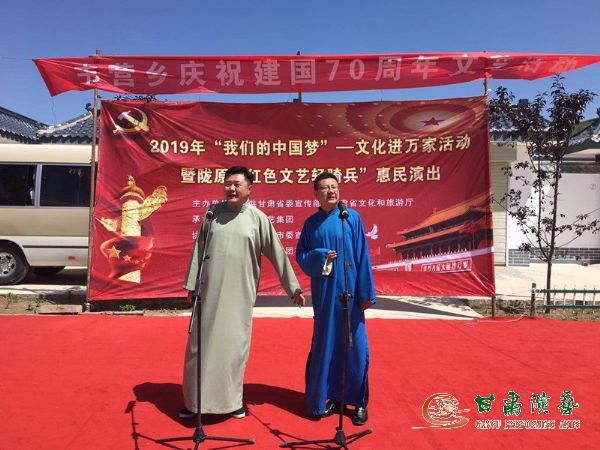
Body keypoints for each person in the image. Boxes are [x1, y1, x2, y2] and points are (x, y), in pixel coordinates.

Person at [180, 166, 305, 419]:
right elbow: (198, 250)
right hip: (209, 291)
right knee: (200, 347)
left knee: (233, 348)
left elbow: (278, 254)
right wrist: (192, 284)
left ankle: (231, 402)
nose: (231, 188)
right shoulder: (212, 215)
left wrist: (292, 287)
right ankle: (194, 402)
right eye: (228, 184)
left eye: (237, 184)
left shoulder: (258, 219)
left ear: (250, 188)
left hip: (239, 293)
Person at [296, 172, 375, 426]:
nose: (331, 191)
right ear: (316, 194)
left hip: (352, 294)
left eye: (334, 186)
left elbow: (362, 255)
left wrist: (366, 293)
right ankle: (328, 397)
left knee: (356, 348)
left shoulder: (351, 217)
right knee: (326, 345)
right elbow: (301, 255)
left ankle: (358, 402)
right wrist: (321, 256)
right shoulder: (311, 224)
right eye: (325, 188)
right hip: (326, 294)